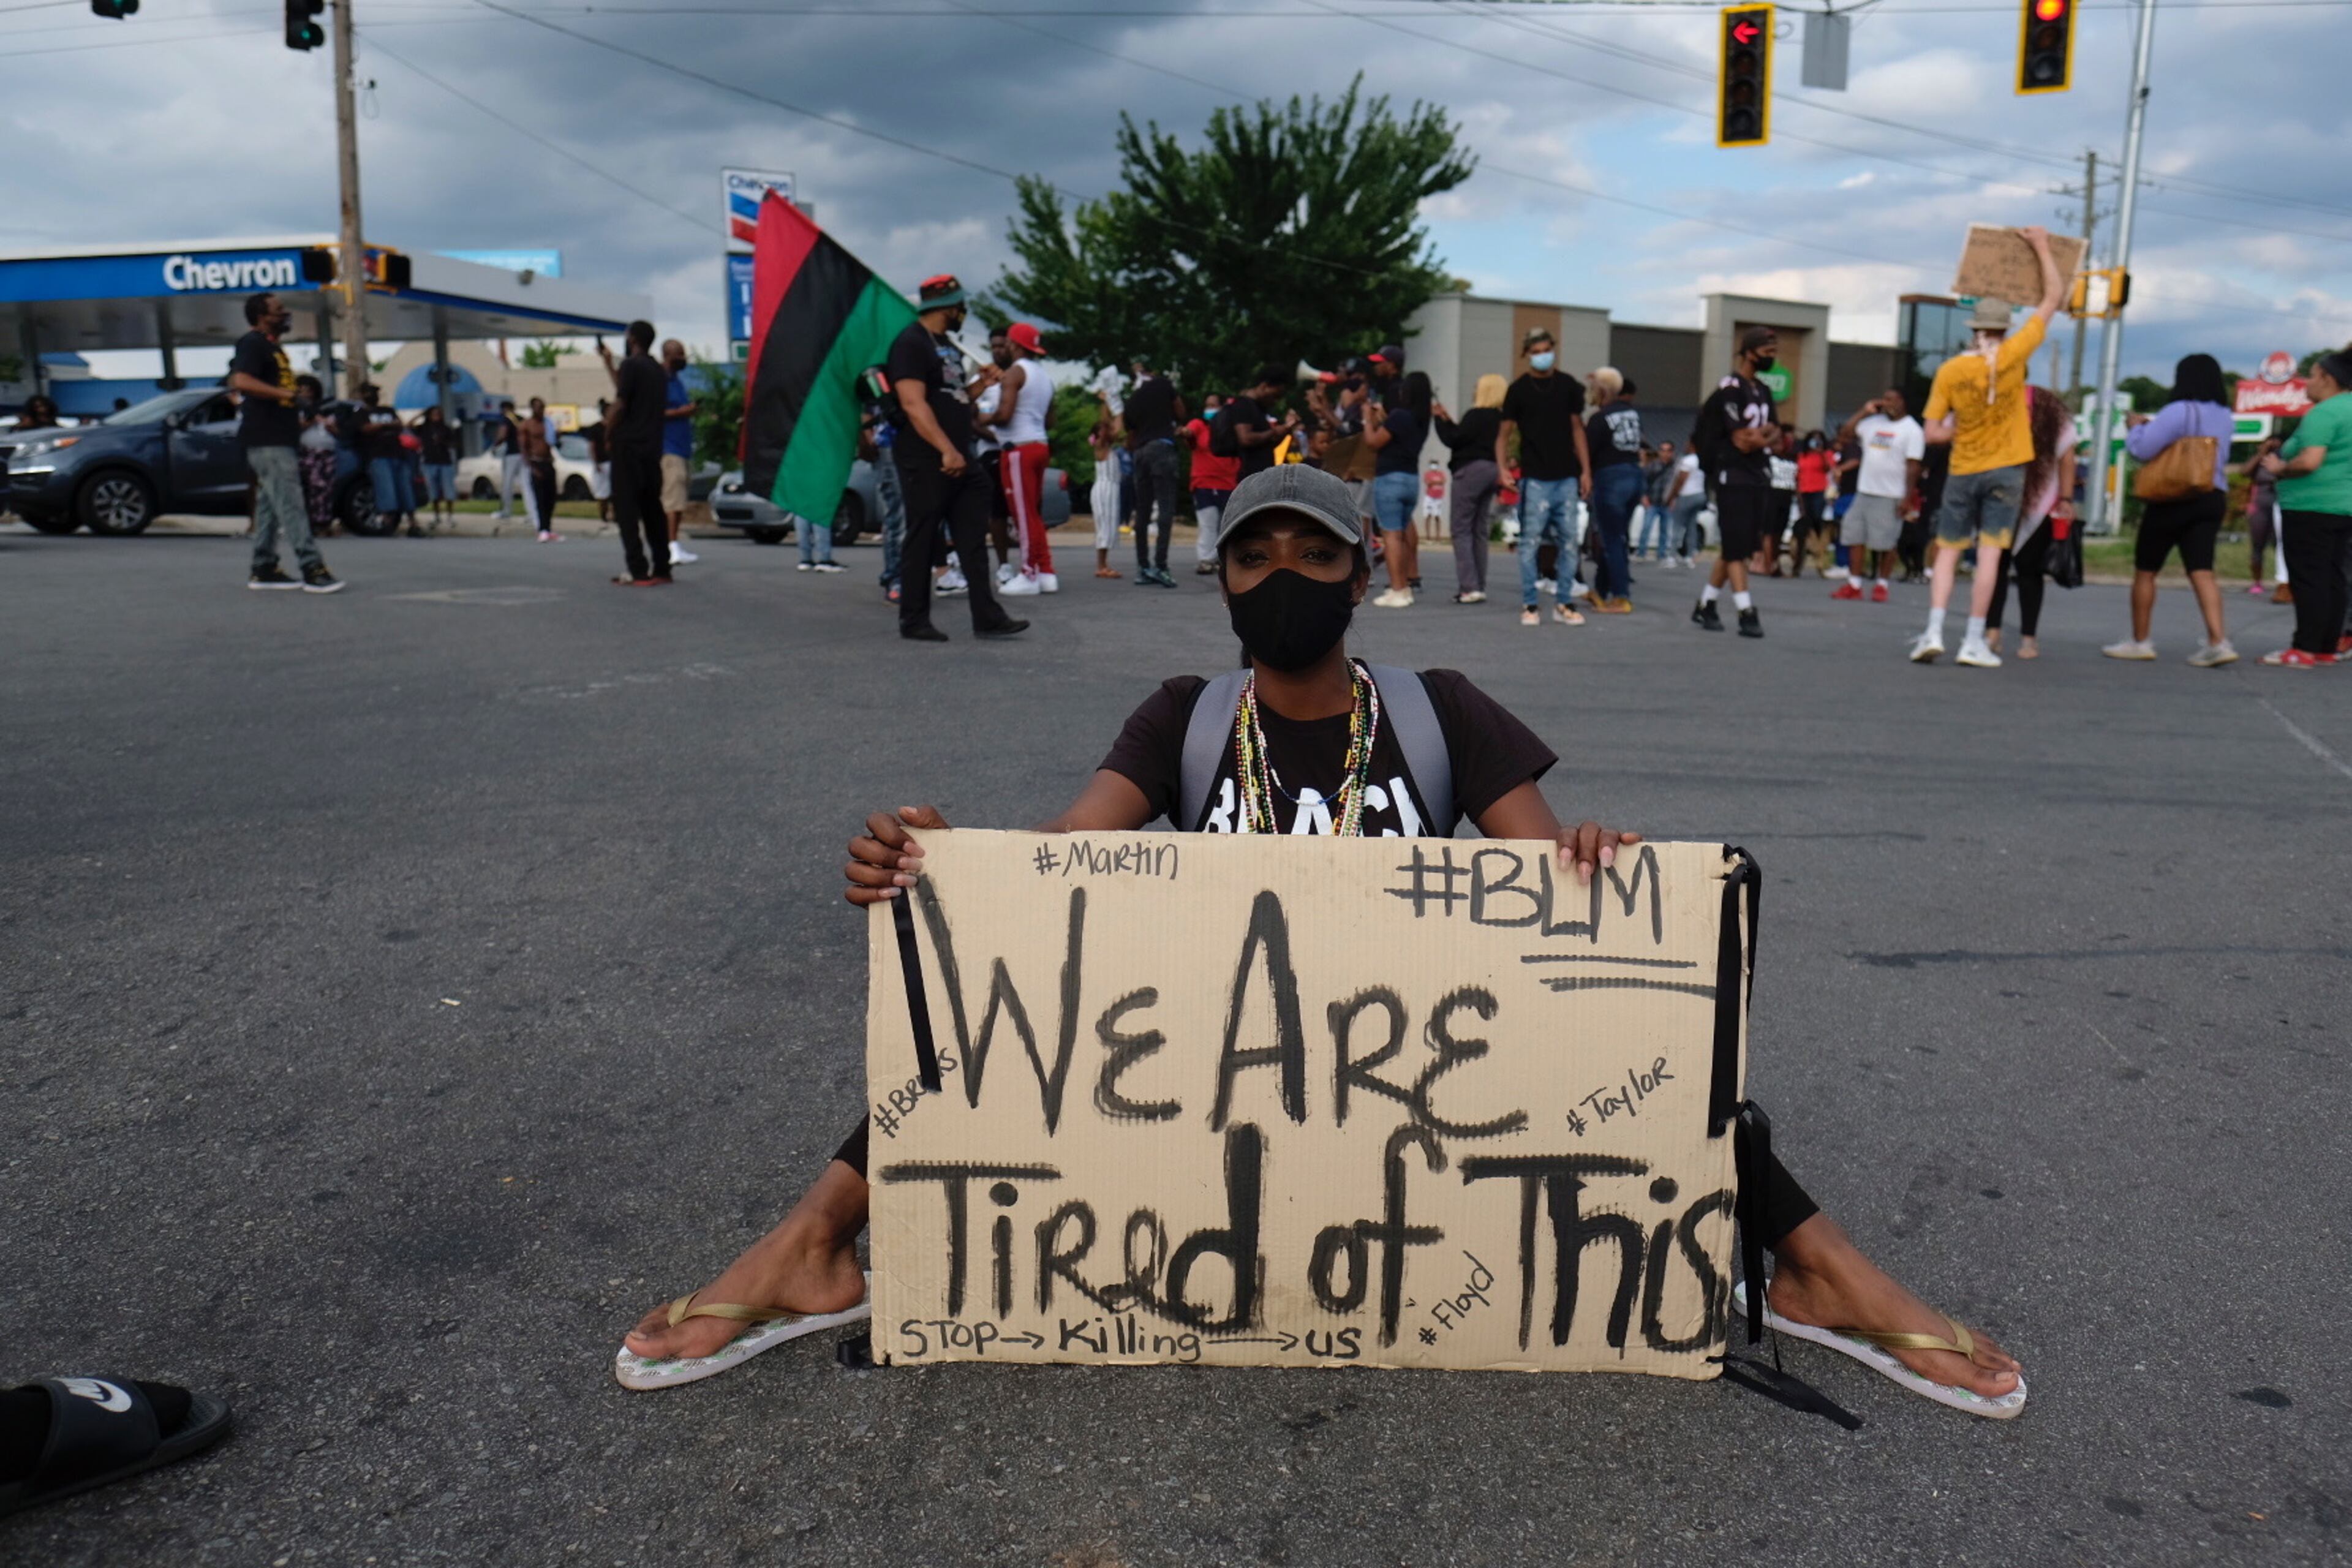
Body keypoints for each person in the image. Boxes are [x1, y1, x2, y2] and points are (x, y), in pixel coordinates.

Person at [615, 462, 2030, 1425]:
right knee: (993, 1007)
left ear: (1366, 568)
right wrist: (938, 866)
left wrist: (1592, 865)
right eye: (1253, 546)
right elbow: (1057, 866)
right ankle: (811, 1246)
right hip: (1201, 1068)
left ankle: (1814, 1266)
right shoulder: (1179, 711)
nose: (1282, 565)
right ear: (1223, 578)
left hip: (1404, 1081)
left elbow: (1553, 901)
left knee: (1658, 1025)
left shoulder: (1439, 706)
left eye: (1313, 546)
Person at [1910, 228, 2065, 668]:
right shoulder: (2016, 354)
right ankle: (1974, 641)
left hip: (1964, 469)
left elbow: (1932, 433)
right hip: (2008, 469)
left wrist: (1962, 428)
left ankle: (1933, 632)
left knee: (1948, 551)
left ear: (1974, 329)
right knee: (1991, 556)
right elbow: (2053, 297)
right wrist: (2041, 248)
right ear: (2004, 328)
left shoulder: (1951, 372)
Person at [888, 275, 1027, 644]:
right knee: (923, 534)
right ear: (947, 307)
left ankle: (987, 616)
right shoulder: (911, 343)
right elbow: (913, 403)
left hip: (961, 457)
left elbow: (951, 396)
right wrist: (945, 449)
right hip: (928, 456)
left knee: (971, 537)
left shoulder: (945, 345)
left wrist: (982, 386)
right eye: (961, 307)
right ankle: (914, 619)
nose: (964, 313)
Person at [2102, 354, 2239, 666]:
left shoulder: (2178, 411)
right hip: (2211, 495)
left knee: (2147, 570)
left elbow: (2142, 449)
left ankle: (2141, 641)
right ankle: (2218, 641)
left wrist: (2135, 428)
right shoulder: (2224, 416)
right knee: (2203, 571)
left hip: (2172, 498)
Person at [228, 292, 339, 593]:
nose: (285, 314)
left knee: (269, 506)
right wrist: (287, 395)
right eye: (279, 310)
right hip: (267, 439)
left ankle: (263, 567)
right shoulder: (253, 343)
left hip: (279, 437)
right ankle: (313, 568)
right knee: (291, 504)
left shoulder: (273, 347)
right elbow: (241, 381)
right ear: (262, 316)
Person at [2256, 350, 2352, 666]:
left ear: (2329, 378)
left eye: (2311, 375)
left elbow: (2310, 460)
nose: (2305, 383)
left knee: (2309, 577)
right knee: (2334, 576)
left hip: (2312, 505)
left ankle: (2304, 648)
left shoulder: (2323, 413)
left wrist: (2280, 467)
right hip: (2345, 506)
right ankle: (2326, 647)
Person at [1689, 325, 1781, 638]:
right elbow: (1742, 439)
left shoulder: (1764, 390)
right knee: (1736, 547)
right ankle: (1746, 612)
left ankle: (1706, 605)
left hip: (1757, 474)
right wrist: (1762, 435)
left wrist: (1763, 436)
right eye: (1767, 353)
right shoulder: (1731, 387)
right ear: (1750, 351)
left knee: (1735, 547)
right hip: (1732, 473)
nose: (1772, 358)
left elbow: (1777, 433)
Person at [1500, 328, 1592, 628]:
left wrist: (1586, 470)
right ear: (1528, 353)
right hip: (1535, 476)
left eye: (1546, 349)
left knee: (1569, 542)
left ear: (1553, 349)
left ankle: (1564, 602)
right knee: (1530, 542)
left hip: (1566, 475)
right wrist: (1502, 468)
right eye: (1536, 351)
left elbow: (1578, 429)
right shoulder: (1519, 390)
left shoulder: (1568, 386)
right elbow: (1504, 434)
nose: (1543, 355)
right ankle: (1530, 602)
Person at [1983, 387, 2076, 660]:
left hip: (2040, 500)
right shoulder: (1993, 402)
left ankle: (2027, 637)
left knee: (2028, 571)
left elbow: (2067, 456)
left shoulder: (2048, 406)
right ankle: (1993, 632)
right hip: (1999, 497)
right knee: (1995, 567)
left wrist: (2067, 498)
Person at [982, 321, 1063, 595]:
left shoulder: (1015, 373)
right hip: (1039, 443)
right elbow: (1050, 419)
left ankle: (1029, 574)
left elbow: (1004, 417)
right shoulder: (1044, 376)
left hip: (1019, 448)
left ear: (1014, 344)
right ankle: (1046, 571)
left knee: (1022, 515)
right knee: (1033, 514)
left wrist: (985, 418)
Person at [1833, 388, 1924, 604]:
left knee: (1886, 542)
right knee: (1854, 536)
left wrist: (1907, 497)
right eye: (1885, 399)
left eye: (1893, 399)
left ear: (1904, 402)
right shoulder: (1873, 423)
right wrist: (1864, 411)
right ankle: (1854, 584)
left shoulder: (1912, 430)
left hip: (1891, 493)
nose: (1888, 403)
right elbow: (1845, 434)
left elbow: (1913, 466)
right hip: (1865, 490)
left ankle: (1882, 585)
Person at [604, 321, 673, 586]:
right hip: (652, 447)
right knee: (652, 508)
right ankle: (662, 567)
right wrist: (608, 364)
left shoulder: (632, 366)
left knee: (626, 510)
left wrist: (608, 433)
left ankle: (638, 569)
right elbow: (626, 388)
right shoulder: (657, 370)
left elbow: (621, 403)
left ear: (632, 339)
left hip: (628, 446)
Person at [1364, 369, 1432, 608]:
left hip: (1390, 478)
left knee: (1391, 536)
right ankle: (1405, 585)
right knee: (1402, 533)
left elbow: (1373, 442)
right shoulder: (1421, 419)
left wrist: (1367, 419)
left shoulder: (1399, 416)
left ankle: (1398, 589)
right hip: (1411, 479)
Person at [1434, 372, 1504, 603]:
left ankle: (1469, 586)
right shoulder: (1500, 418)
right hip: (1492, 470)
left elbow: (1456, 440)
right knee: (1479, 530)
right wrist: (1449, 420)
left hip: (1470, 470)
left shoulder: (1476, 415)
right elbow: (1466, 436)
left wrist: (1439, 421)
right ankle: (1478, 584)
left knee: (1461, 528)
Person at [1582, 368, 1643, 613]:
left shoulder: (1600, 419)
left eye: (1594, 387)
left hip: (1610, 478)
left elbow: (1588, 451)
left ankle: (1621, 596)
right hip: (1634, 476)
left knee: (1611, 540)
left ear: (1603, 390)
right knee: (1616, 537)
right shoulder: (1631, 414)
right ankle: (1601, 589)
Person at [1121, 359, 1182, 589]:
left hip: (1141, 452)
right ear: (1153, 371)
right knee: (1165, 509)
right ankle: (1161, 566)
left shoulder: (1132, 400)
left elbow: (1129, 435)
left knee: (1143, 512)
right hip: (1162, 447)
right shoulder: (1163, 385)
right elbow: (1180, 411)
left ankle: (1142, 568)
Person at [1185, 392, 1238, 578]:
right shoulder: (1199, 425)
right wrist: (1185, 432)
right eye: (1207, 405)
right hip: (1204, 483)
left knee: (1225, 526)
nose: (1209, 409)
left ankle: (1216, 559)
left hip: (1229, 483)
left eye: (1214, 405)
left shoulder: (1233, 429)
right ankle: (1206, 560)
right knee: (1208, 524)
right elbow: (1189, 432)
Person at [352, 383, 413, 537]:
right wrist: (386, 425)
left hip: (398, 454)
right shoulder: (360, 412)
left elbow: (399, 425)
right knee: (386, 490)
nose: (372, 396)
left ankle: (413, 524)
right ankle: (388, 523)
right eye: (368, 393)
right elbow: (365, 429)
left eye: (374, 393)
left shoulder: (388, 410)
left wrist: (380, 426)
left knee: (405, 488)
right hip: (377, 456)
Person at [661, 339, 700, 567]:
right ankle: (670, 546)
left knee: (680, 498)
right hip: (669, 448)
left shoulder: (678, 381)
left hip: (682, 447)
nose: (684, 359)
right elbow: (655, 412)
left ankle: (674, 544)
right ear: (669, 355)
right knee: (672, 499)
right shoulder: (662, 380)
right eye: (680, 355)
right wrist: (682, 412)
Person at [1225, 365, 1298, 484]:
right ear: (1264, 386)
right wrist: (1274, 432)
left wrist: (1285, 430)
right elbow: (1246, 438)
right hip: (1249, 477)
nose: (1276, 401)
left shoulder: (1260, 409)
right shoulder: (1244, 405)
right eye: (1275, 396)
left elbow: (1266, 444)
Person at [295, 375, 341, 535]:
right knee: (306, 488)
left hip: (326, 452)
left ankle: (322, 522)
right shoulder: (297, 410)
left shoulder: (327, 408)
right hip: (306, 451)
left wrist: (327, 423)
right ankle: (306, 523)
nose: (305, 394)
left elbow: (338, 431)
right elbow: (297, 428)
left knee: (323, 488)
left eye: (308, 391)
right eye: (301, 391)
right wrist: (311, 419)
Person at [516, 396, 560, 549]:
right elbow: (523, 448)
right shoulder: (527, 426)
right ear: (532, 408)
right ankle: (542, 529)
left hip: (548, 462)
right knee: (540, 498)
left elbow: (553, 443)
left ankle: (548, 528)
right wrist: (532, 467)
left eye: (543, 407)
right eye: (538, 407)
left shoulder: (548, 424)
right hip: (536, 463)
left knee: (551, 497)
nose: (541, 410)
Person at [1789, 431, 1835, 577]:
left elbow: (1830, 469)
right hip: (1804, 491)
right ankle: (1799, 561)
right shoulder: (1802, 455)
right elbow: (1797, 474)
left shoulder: (1826, 454)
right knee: (1804, 525)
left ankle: (1820, 556)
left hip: (1818, 491)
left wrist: (1821, 453)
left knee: (1816, 521)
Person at [1088, 404, 1125, 579]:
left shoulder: (1109, 448)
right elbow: (1109, 424)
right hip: (1104, 490)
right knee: (1104, 526)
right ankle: (1101, 566)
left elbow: (1116, 427)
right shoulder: (1101, 447)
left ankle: (1104, 564)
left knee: (1109, 526)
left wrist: (1115, 408)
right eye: (1106, 429)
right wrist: (1106, 402)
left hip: (1111, 489)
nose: (1111, 430)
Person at [2244, 436, 2280, 596]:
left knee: (2281, 545)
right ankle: (2257, 581)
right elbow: (2244, 472)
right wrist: (2261, 453)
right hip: (2260, 505)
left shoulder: (2283, 460)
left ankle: (2284, 581)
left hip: (2279, 505)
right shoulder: (2259, 461)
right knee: (2257, 546)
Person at [413, 405, 459, 533]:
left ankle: (450, 516)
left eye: (438, 414)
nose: (436, 416)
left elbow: (454, 443)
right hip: (429, 462)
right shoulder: (424, 428)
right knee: (433, 491)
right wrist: (420, 415)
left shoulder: (445, 429)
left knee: (448, 490)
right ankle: (437, 515)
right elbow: (408, 426)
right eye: (434, 414)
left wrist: (443, 442)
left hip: (445, 462)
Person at [491, 399, 535, 529]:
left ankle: (506, 511)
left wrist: (495, 446)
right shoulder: (522, 419)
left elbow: (502, 435)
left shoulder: (506, 419)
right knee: (526, 485)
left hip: (512, 455)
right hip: (524, 454)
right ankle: (532, 513)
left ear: (504, 409)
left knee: (507, 484)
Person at [1660, 445, 1704, 570]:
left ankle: (1671, 557)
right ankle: (1689, 556)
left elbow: (1681, 480)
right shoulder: (1701, 459)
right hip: (1700, 494)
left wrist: (1672, 497)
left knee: (1677, 526)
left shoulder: (1688, 460)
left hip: (1686, 495)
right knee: (1692, 527)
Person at [1635, 439, 1676, 564]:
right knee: (1646, 527)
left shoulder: (1675, 467)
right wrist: (1644, 497)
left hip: (1667, 503)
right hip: (1652, 501)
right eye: (1663, 450)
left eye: (1668, 451)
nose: (1665, 453)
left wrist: (1674, 500)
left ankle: (1662, 554)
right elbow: (1643, 481)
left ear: (1672, 453)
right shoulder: (1652, 466)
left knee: (1665, 531)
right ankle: (1641, 552)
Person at [582, 398, 613, 524]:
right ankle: (603, 515)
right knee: (603, 493)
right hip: (602, 462)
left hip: (613, 462)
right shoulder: (596, 428)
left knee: (615, 491)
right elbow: (592, 447)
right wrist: (596, 463)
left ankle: (615, 515)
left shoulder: (616, 426)